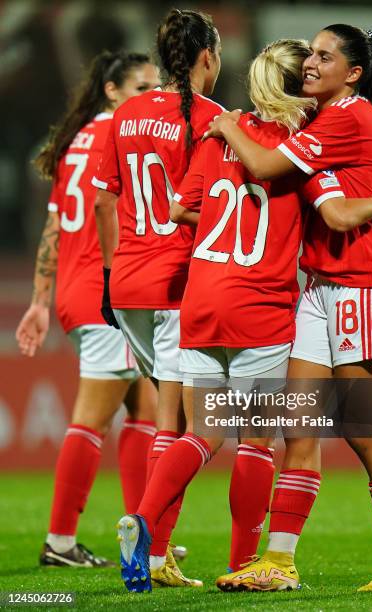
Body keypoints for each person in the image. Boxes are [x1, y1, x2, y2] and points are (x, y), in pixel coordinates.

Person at [123, 37, 372, 590]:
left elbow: (180, 207)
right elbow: (336, 214)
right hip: (260, 304)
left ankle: (143, 525)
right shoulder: (302, 146)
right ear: (299, 86)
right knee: (256, 438)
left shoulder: (217, 136)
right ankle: (246, 559)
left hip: (201, 295)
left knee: (201, 430)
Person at [208, 25, 372, 593]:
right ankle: (279, 563)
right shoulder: (323, 121)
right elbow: (330, 211)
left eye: (325, 56)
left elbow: (261, 166)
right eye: (309, 52)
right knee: (297, 429)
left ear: (352, 73)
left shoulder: (348, 117)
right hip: (321, 288)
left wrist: (230, 124)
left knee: (360, 428)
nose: (311, 62)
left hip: (364, 286)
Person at [93, 9, 223, 592]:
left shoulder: (123, 115)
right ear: (207, 57)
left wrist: (106, 273)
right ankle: (149, 541)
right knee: (191, 424)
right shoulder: (214, 119)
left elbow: (103, 202)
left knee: (163, 414)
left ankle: (154, 551)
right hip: (177, 285)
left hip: (126, 286)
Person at [16, 50, 161, 568]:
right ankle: (59, 543)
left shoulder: (77, 142)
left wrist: (39, 301)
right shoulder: (122, 136)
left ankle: (142, 540)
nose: (152, 97)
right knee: (91, 419)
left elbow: (55, 227)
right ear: (113, 91)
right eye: (142, 88)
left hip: (79, 292)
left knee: (143, 407)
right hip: (108, 290)